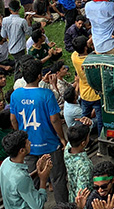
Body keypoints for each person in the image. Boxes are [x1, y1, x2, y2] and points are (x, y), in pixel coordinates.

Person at [9, 58, 69, 204]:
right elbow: (55, 119)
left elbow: (13, 119)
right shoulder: (46, 94)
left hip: (27, 146)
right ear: (39, 76)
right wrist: (61, 138)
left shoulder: (15, 95)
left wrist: (19, 134)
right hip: (49, 144)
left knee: (32, 180)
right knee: (58, 178)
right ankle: (63, 206)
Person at [0, 130, 52, 209]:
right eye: (27, 143)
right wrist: (43, 180)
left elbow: (19, 185)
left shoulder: (5, 163)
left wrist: (37, 171)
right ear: (22, 150)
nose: (30, 143)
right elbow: (38, 205)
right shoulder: (21, 178)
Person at [64, 124, 93, 202]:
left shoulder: (67, 150)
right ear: (83, 143)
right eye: (88, 137)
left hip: (72, 196)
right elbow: (81, 194)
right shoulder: (85, 166)